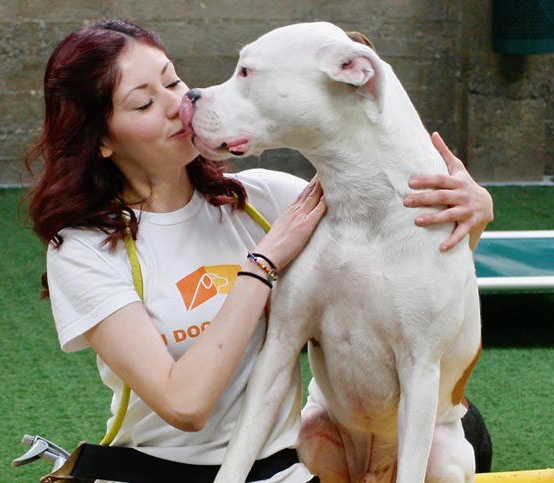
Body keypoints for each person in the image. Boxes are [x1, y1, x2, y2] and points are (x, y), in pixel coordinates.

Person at [24, 18, 494, 483]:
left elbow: (416, 275)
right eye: (145, 102)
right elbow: (184, 405)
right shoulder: (82, 250)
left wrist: (476, 210)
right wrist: (261, 266)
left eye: (173, 81)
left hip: (283, 468)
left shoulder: (270, 199)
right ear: (101, 140)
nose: (178, 104)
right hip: (151, 469)